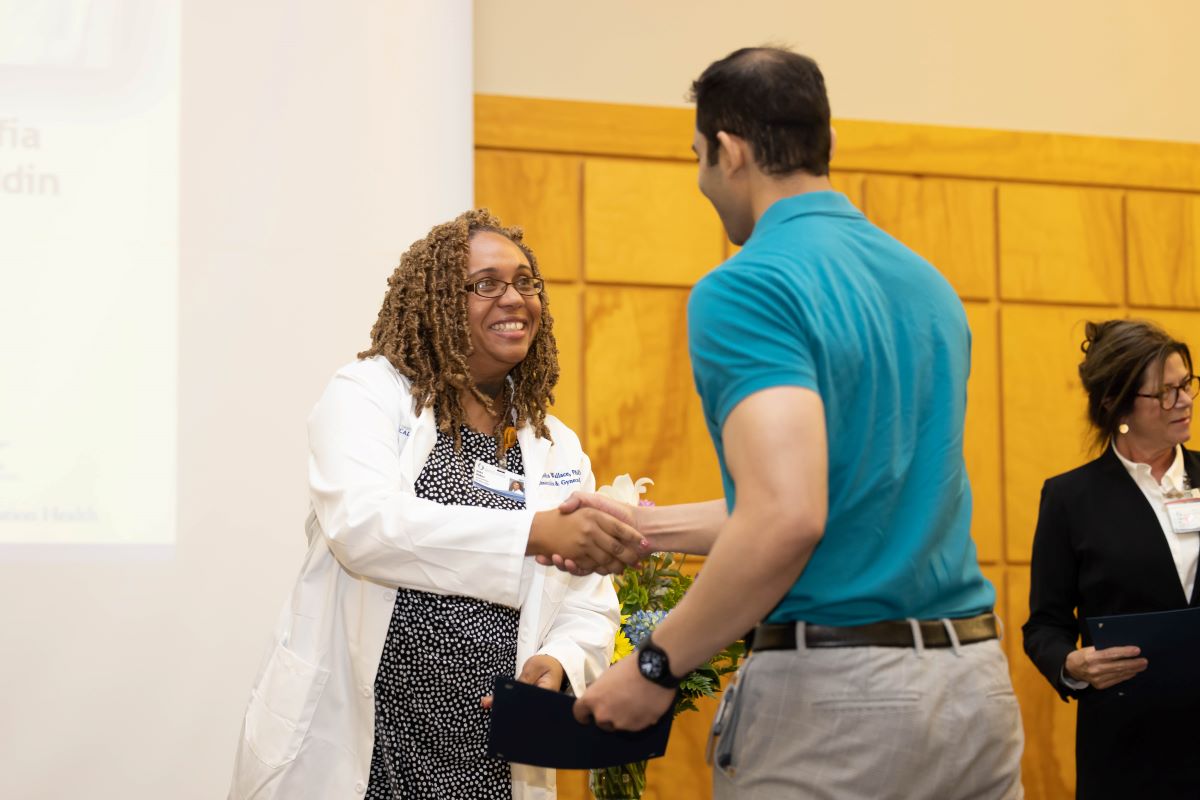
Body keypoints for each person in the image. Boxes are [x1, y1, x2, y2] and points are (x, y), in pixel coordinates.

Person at [564, 47, 1024, 799]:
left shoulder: (750, 287)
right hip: (972, 688)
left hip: (840, 708)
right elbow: (841, 501)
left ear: (730, 150)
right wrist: (641, 525)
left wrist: (655, 664)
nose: (703, 182)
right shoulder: (927, 285)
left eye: (699, 158)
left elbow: (785, 518)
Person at [228, 209, 647, 800]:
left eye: (525, 282)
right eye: (484, 284)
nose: (513, 298)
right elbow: (363, 527)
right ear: (437, 302)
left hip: (488, 754)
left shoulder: (556, 446)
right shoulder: (368, 394)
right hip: (370, 745)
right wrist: (533, 533)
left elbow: (588, 603)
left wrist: (558, 661)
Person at [1023, 319, 1200, 799]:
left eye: (1186, 384)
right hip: (1128, 752)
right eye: (1164, 393)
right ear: (1115, 405)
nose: (1183, 400)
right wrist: (1072, 665)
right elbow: (1044, 627)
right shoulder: (1070, 498)